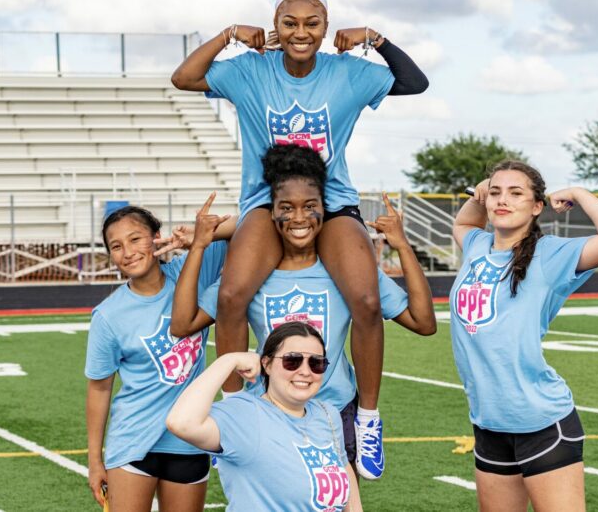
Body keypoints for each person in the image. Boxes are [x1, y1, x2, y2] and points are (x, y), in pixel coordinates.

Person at [170, 0, 429, 479]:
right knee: (231, 298)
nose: (301, 32)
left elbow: (414, 83)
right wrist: (228, 35)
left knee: (368, 300)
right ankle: (237, 407)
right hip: (264, 203)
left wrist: (375, 39)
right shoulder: (250, 69)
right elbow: (184, 78)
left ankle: (369, 419)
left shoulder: (348, 72)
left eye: (312, 23)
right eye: (290, 22)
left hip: (330, 202)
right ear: (275, 27)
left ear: (327, 27)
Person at [170, 143, 436, 476]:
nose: (298, 217)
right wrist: (198, 245)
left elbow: (424, 322)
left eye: (310, 206)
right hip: (266, 413)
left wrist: (402, 245)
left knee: (334, 499)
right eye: (287, 207)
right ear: (271, 212)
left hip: (333, 411)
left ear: (325, 209)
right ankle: (231, 412)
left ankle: (370, 421)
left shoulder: (349, 271)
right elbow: (182, 324)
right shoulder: (249, 275)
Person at [450, 160, 598, 511]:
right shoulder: (476, 244)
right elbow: (463, 221)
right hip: (488, 422)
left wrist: (579, 193)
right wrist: (478, 193)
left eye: (515, 193)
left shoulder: (552, 254)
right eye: (496, 192)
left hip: (541, 421)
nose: (502, 200)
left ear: (537, 206)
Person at [84, 201, 230, 512]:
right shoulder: (108, 316)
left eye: (136, 239)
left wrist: (196, 237)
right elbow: (99, 389)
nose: (128, 251)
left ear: (156, 238)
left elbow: (247, 228)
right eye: (117, 246)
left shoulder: (195, 269)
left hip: (189, 441)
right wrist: (95, 460)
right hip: (133, 443)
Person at [167, 322, 362, 512]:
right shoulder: (244, 414)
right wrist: (228, 360)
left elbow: (343, 470)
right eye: (291, 361)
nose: (305, 371)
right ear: (266, 364)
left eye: (316, 363)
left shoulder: (326, 413)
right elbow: (181, 423)